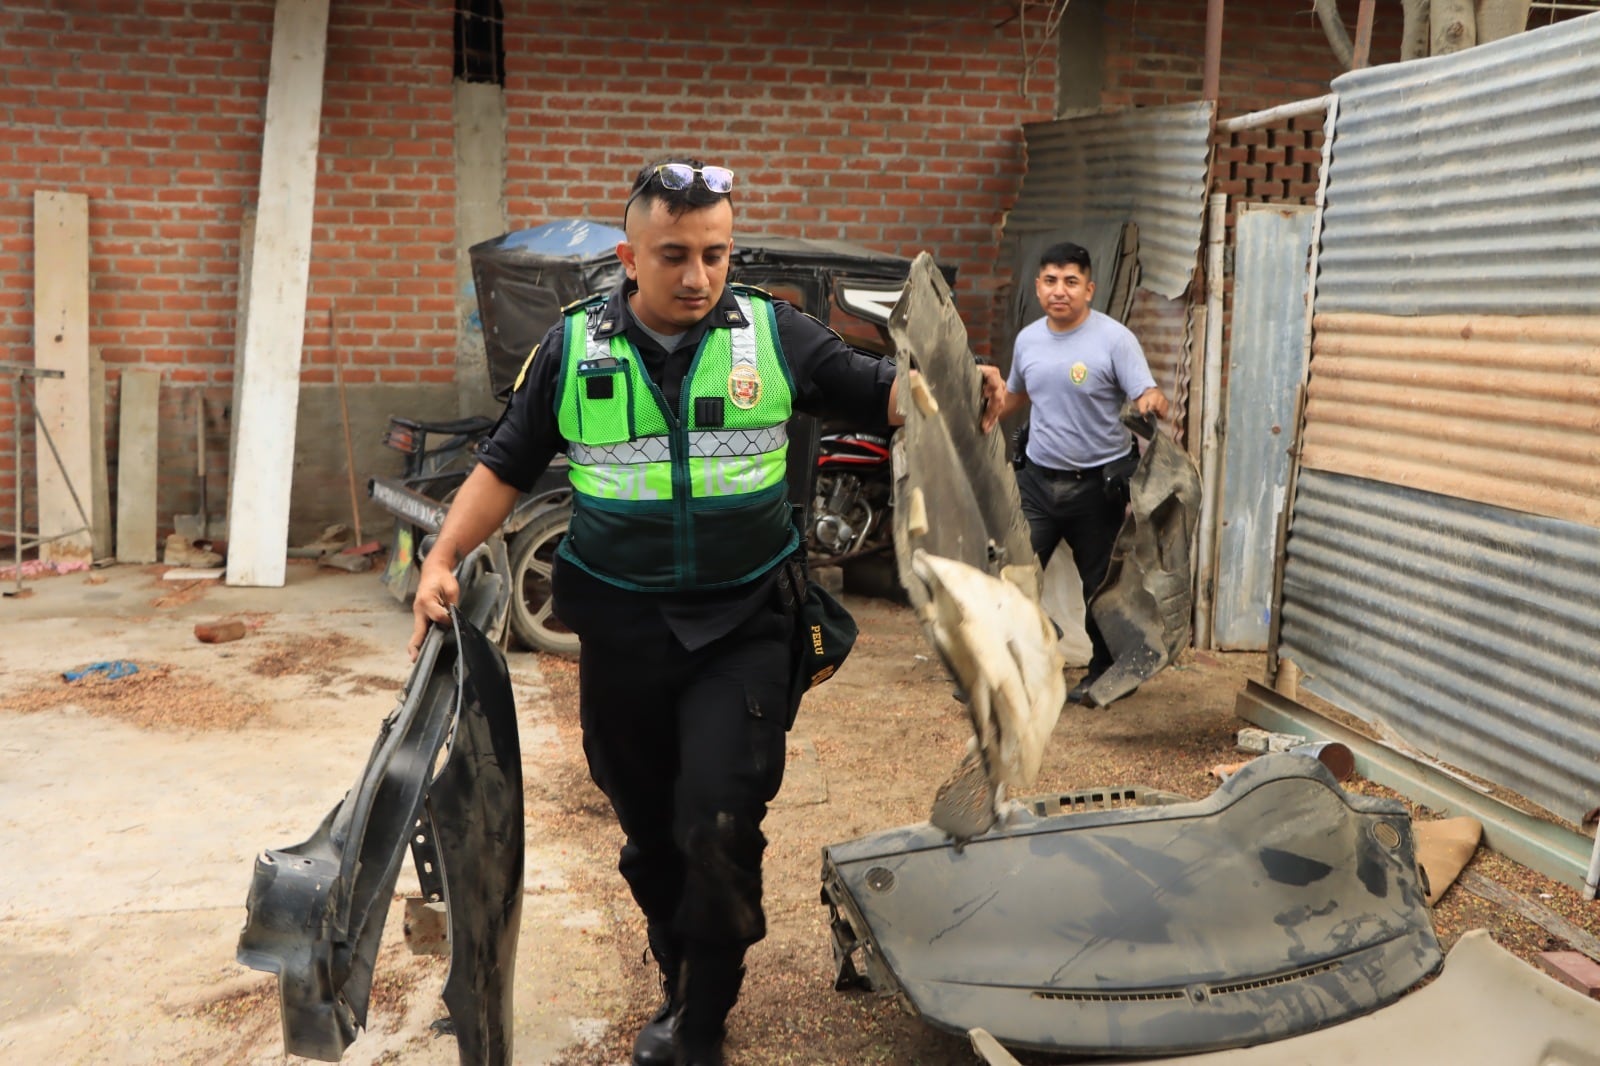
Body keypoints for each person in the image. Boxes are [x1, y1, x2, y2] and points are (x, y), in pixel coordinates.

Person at [409, 157, 1005, 1066]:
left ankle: (701, 1022)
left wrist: (962, 384)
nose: (698, 276)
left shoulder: (773, 332)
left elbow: (881, 389)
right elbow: (505, 464)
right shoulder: (573, 348)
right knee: (651, 835)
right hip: (622, 634)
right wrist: (442, 556)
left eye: (715, 254)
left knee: (718, 821)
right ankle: (680, 973)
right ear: (629, 259)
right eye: (675, 255)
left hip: (744, 627)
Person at [994, 241, 1170, 706]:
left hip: (1096, 488)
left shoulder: (1114, 340)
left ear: (1089, 289)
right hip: (1036, 481)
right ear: (1038, 287)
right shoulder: (1028, 340)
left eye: (1071, 282)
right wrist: (980, 408)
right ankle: (1004, 672)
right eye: (1051, 281)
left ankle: (1104, 672)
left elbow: (1146, 392)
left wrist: (1151, 400)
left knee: (1100, 587)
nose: (1060, 290)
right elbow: (1016, 395)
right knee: (1012, 574)